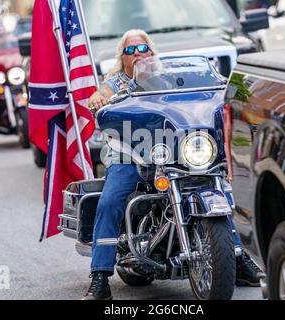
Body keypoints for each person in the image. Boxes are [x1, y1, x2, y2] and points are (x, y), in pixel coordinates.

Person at [83, 29, 263, 300]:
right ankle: (99, 277)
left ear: (151, 52)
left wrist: (235, 88)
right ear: (122, 57)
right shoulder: (117, 82)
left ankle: (236, 258)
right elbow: (100, 95)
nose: (137, 54)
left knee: (223, 188)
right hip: (128, 154)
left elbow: (206, 90)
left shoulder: (164, 78)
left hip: (173, 151)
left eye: (142, 49)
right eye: (130, 50)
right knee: (110, 200)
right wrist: (98, 99)